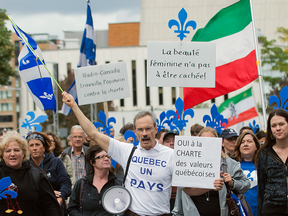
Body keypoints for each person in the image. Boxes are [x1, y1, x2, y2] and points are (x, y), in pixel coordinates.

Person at [62, 91, 174, 215]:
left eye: (148, 128)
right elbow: (94, 133)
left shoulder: (171, 155)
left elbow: (189, 188)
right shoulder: (127, 151)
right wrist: (73, 106)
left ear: (156, 129)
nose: (145, 133)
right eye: (140, 129)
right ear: (135, 132)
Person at [173, 127, 250, 216]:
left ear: (218, 143)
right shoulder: (188, 165)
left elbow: (246, 185)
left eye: (211, 142)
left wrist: (232, 183)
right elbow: (180, 201)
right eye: (204, 142)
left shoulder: (230, 165)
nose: (207, 145)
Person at [0, 130, 62, 215]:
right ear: (2, 155)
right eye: (8, 151)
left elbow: (51, 207)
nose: (12, 154)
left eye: (16, 150)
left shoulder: (36, 175)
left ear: (23, 153)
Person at [67, 145, 121, 215]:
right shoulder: (82, 184)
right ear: (92, 162)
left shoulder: (118, 183)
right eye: (101, 157)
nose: (106, 159)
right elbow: (72, 208)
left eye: (108, 156)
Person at [27, 132, 71, 216]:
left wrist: (60, 199)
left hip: (55, 206)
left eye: (37, 144)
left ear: (44, 148)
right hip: (34, 207)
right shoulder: (25, 165)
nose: (34, 148)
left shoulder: (56, 162)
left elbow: (66, 182)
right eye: (31, 145)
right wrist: (48, 192)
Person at [256, 108, 288, 216]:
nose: (278, 128)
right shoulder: (264, 154)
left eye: (281, 124)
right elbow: (261, 188)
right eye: (274, 126)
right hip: (271, 209)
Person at [234, 131, 260, 216]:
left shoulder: (264, 165)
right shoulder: (233, 165)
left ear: (256, 146)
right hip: (240, 210)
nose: (245, 144)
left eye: (249, 141)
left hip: (260, 210)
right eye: (242, 142)